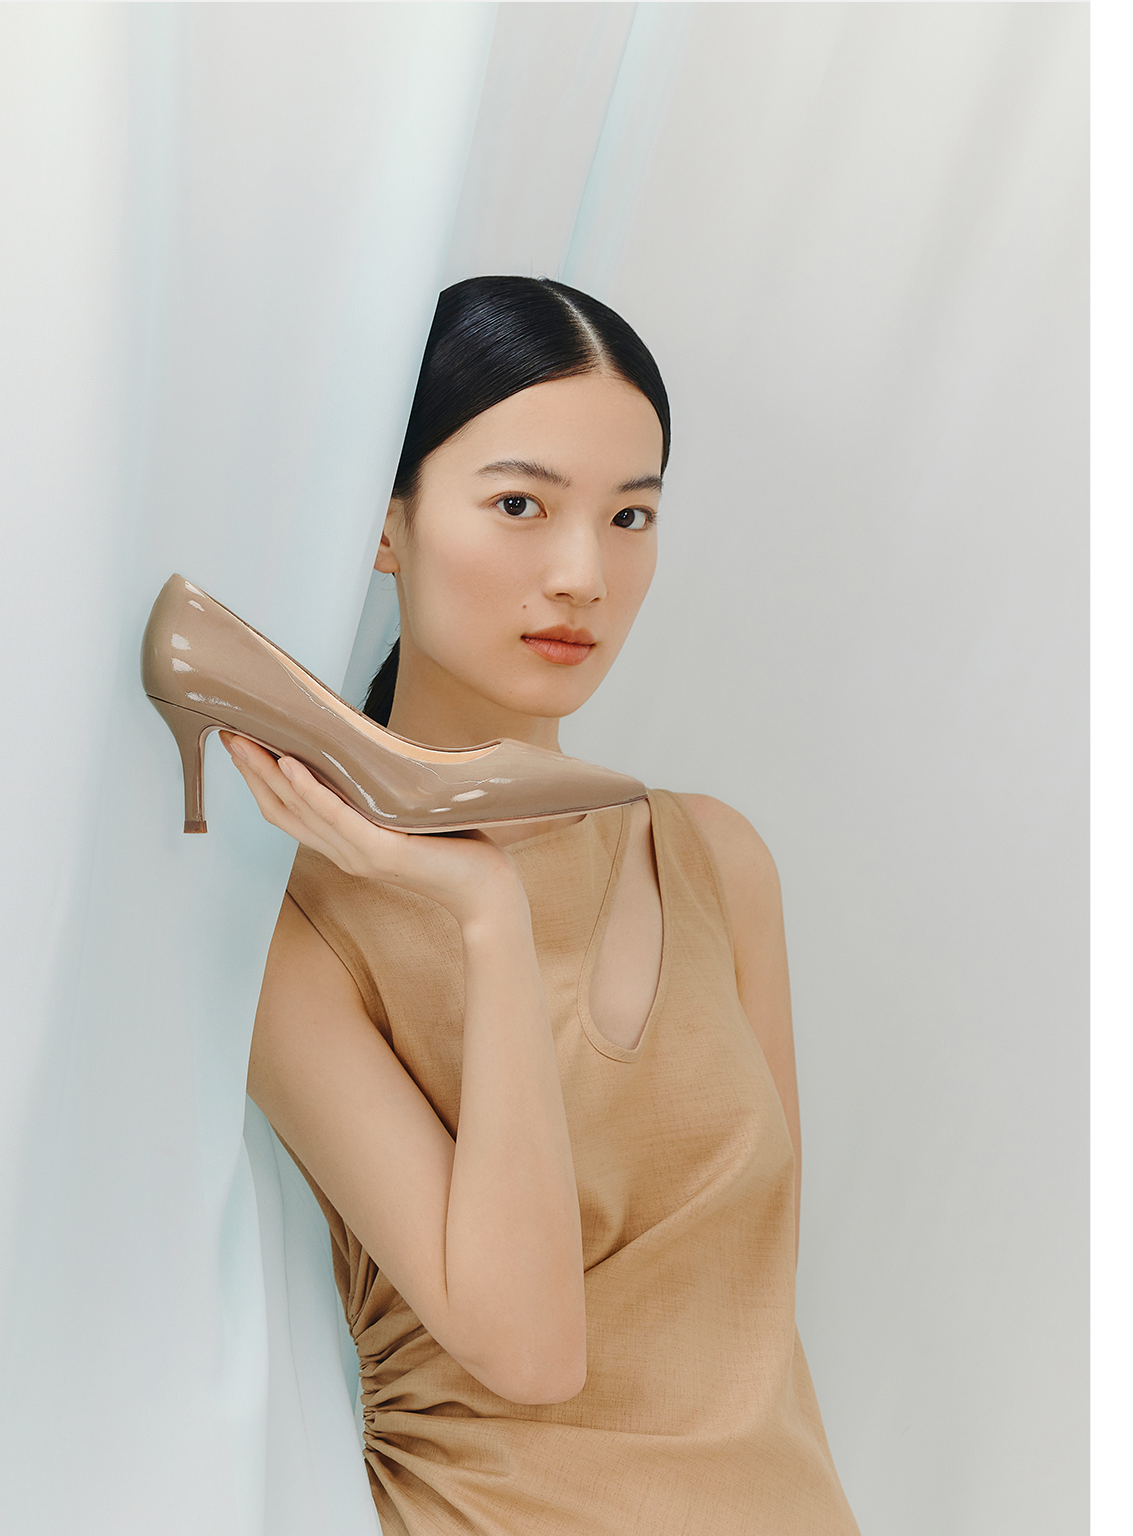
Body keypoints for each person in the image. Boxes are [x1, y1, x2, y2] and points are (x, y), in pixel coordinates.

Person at [221, 277, 859, 1535]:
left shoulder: (712, 861)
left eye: (629, 516)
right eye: (520, 505)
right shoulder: (295, 933)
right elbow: (528, 1353)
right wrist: (485, 914)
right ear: (386, 521)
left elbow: (747, 1311)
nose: (581, 574)